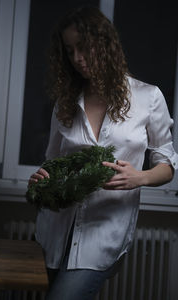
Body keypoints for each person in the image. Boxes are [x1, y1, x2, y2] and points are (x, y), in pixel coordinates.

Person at [28, 6, 178, 300]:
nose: (78, 59)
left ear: (105, 44)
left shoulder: (148, 97)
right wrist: (42, 180)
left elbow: (167, 164)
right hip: (54, 230)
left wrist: (140, 178)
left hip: (104, 234)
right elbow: (53, 162)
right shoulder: (65, 102)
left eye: (84, 48)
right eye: (70, 51)